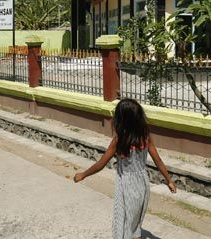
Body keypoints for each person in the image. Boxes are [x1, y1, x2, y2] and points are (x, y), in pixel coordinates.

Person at [73, 98, 176, 239]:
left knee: (124, 222)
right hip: (143, 184)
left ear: (121, 120)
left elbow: (100, 164)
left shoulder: (119, 140)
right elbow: (158, 160)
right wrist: (169, 180)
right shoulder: (145, 136)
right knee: (134, 224)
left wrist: (83, 174)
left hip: (126, 185)